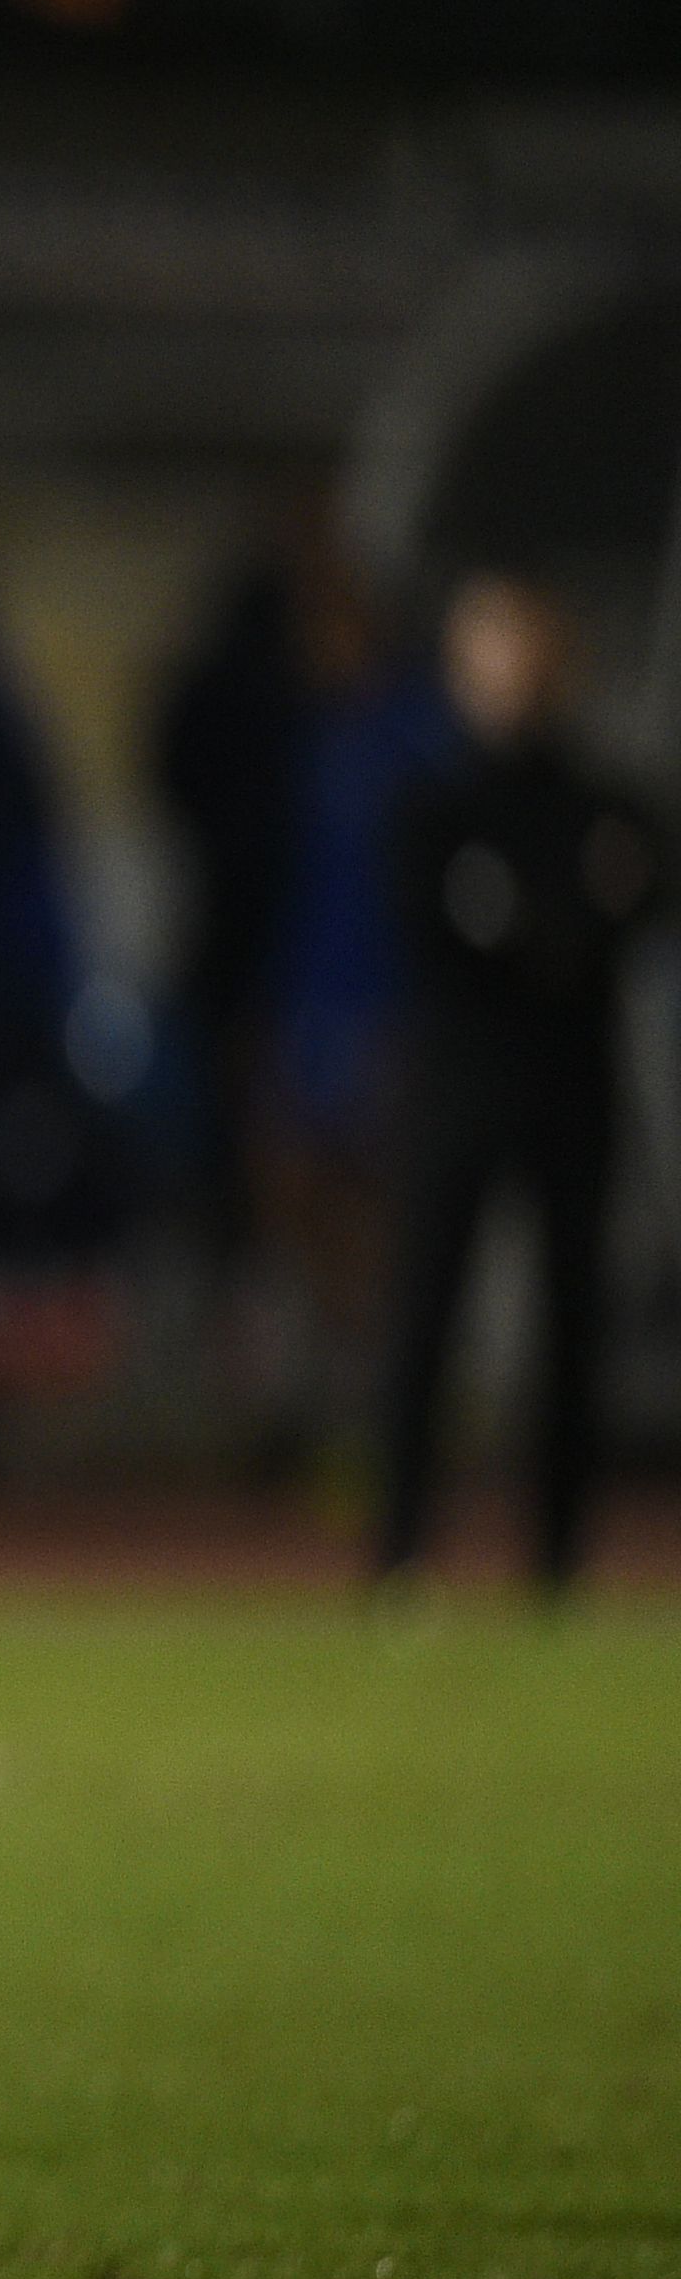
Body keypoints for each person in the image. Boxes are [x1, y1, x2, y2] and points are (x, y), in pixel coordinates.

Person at [369, 570, 659, 1594]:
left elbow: (627, 906)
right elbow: (450, 932)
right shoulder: (431, 804)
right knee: (423, 1314)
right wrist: (557, 926)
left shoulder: (601, 797)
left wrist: (533, 928)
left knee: (571, 1323)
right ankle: (397, 1549)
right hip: (456, 1085)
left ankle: (556, 1558)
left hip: (570, 1087)